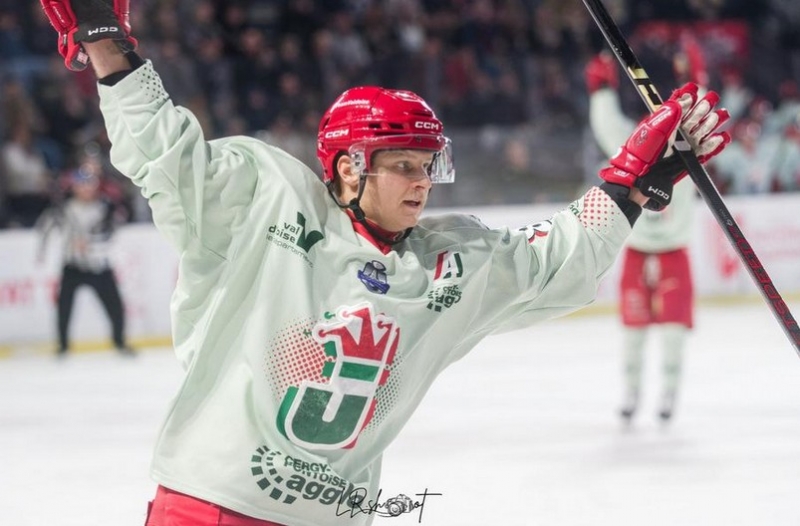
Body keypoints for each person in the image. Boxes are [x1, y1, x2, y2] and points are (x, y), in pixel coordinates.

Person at [39, 2, 729, 524]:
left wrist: (632, 183)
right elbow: (166, 154)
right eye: (402, 165)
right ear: (345, 168)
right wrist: (107, 42)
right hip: (210, 506)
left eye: (428, 166)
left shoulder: (448, 266)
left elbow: (557, 265)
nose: (422, 182)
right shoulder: (263, 205)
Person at [584, 51, 730, 424]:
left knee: (673, 332)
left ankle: (668, 391)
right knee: (634, 333)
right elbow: (605, 125)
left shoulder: (686, 142)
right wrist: (601, 90)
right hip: (636, 251)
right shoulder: (631, 141)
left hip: (672, 252)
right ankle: (632, 391)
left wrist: (699, 80)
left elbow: (702, 119)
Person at [36, 155, 134, 357]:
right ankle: (63, 345)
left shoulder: (105, 208)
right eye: (81, 184)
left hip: (99, 266)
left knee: (115, 306)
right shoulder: (63, 209)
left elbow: (110, 234)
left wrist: (90, 245)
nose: (86, 188)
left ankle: (120, 341)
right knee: (64, 307)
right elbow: (45, 227)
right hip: (72, 266)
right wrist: (43, 251)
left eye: (90, 183)